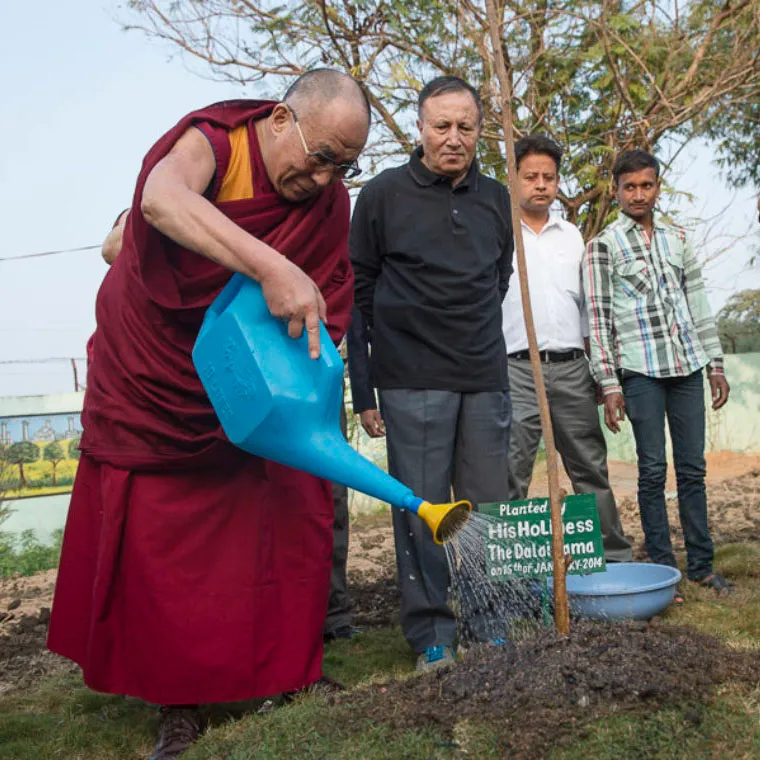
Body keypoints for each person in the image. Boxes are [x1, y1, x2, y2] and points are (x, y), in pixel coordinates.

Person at [47, 69, 370, 759]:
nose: (322, 182)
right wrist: (271, 268)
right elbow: (160, 202)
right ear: (282, 119)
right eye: (319, 159)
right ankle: (179, 703)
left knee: (291, 517)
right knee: (169, 551)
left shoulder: (326, 202)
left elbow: (330, 289)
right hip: (162, 382)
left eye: (343, 167)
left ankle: (290, 674)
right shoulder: (215, 141)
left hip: (256, 383)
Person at [101, 208, 359, 645]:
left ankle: (315, 626)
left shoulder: (312, 218)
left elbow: (333, 286)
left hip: (302, 377)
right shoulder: (192, 209)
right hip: (208, 388)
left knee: (310, 512)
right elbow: (115, 246)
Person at [351, 76, 514, 671]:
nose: (454, 138)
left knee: (487, 507)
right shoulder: (382, 195)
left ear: (479, 130)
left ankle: (487, 621)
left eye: (466, 127)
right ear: (419, 127)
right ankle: (431, 634)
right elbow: (359, 294)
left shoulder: (497, 197)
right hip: (409, 376)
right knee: (422, 509)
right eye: (441, 126)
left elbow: (498, 277)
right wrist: (364, 386)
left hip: (484, 373)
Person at [583, 149, 732, 599]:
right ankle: (665, 570)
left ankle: (702, 566)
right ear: (616, 190)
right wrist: (609, 383)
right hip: (640, 371)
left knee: (692, 469)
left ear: (657, 186)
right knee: (651, 470)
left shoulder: (678, 238)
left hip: (687, 366)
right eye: (629, 187)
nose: (638, 194)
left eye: (646, 185)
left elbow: (698, 303)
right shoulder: (602, 246)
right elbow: (598, 318)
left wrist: (715, 364)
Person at [502, 134, 632, 563]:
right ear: (513, 177)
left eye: (549, 177)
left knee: (589, 465)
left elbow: (589, 309)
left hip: (572, 367)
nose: (540, 185)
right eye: (531, 176)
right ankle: (514, 568)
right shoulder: (500, 234)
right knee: (511, 468)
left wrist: (598, 369)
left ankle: (612, 557)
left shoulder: (573, 237)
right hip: (515, 369)